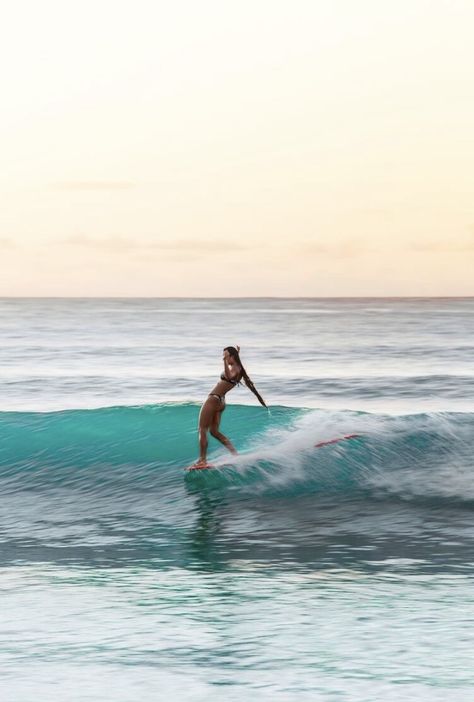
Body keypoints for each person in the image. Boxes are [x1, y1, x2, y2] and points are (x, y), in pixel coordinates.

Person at [194, 346, 267, 467]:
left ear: (231, 356)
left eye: (226, 356)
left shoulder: (234, 368)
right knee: (214, 431)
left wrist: (225, 361)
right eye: (224, 356)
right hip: (221, 402)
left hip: (214, 399)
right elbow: (231, 373)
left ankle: (202, 460)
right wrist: (234, 354)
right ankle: (235, 455)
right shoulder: (237, 367)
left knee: (202, 429)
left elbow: (228, 376)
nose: (224, 358)